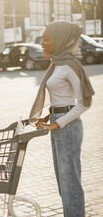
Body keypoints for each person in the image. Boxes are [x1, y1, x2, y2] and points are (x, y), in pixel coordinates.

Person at [29, 21, 95, 217]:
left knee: (70, 183)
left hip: (68, 127)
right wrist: (49, 117)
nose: (41, 42)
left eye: (45, 38)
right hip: (59, 122)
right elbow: (61, 99)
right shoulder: (57, 63)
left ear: (59, 40)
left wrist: (57, 123)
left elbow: (84, 103)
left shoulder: (70, 65)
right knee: (62, 181)